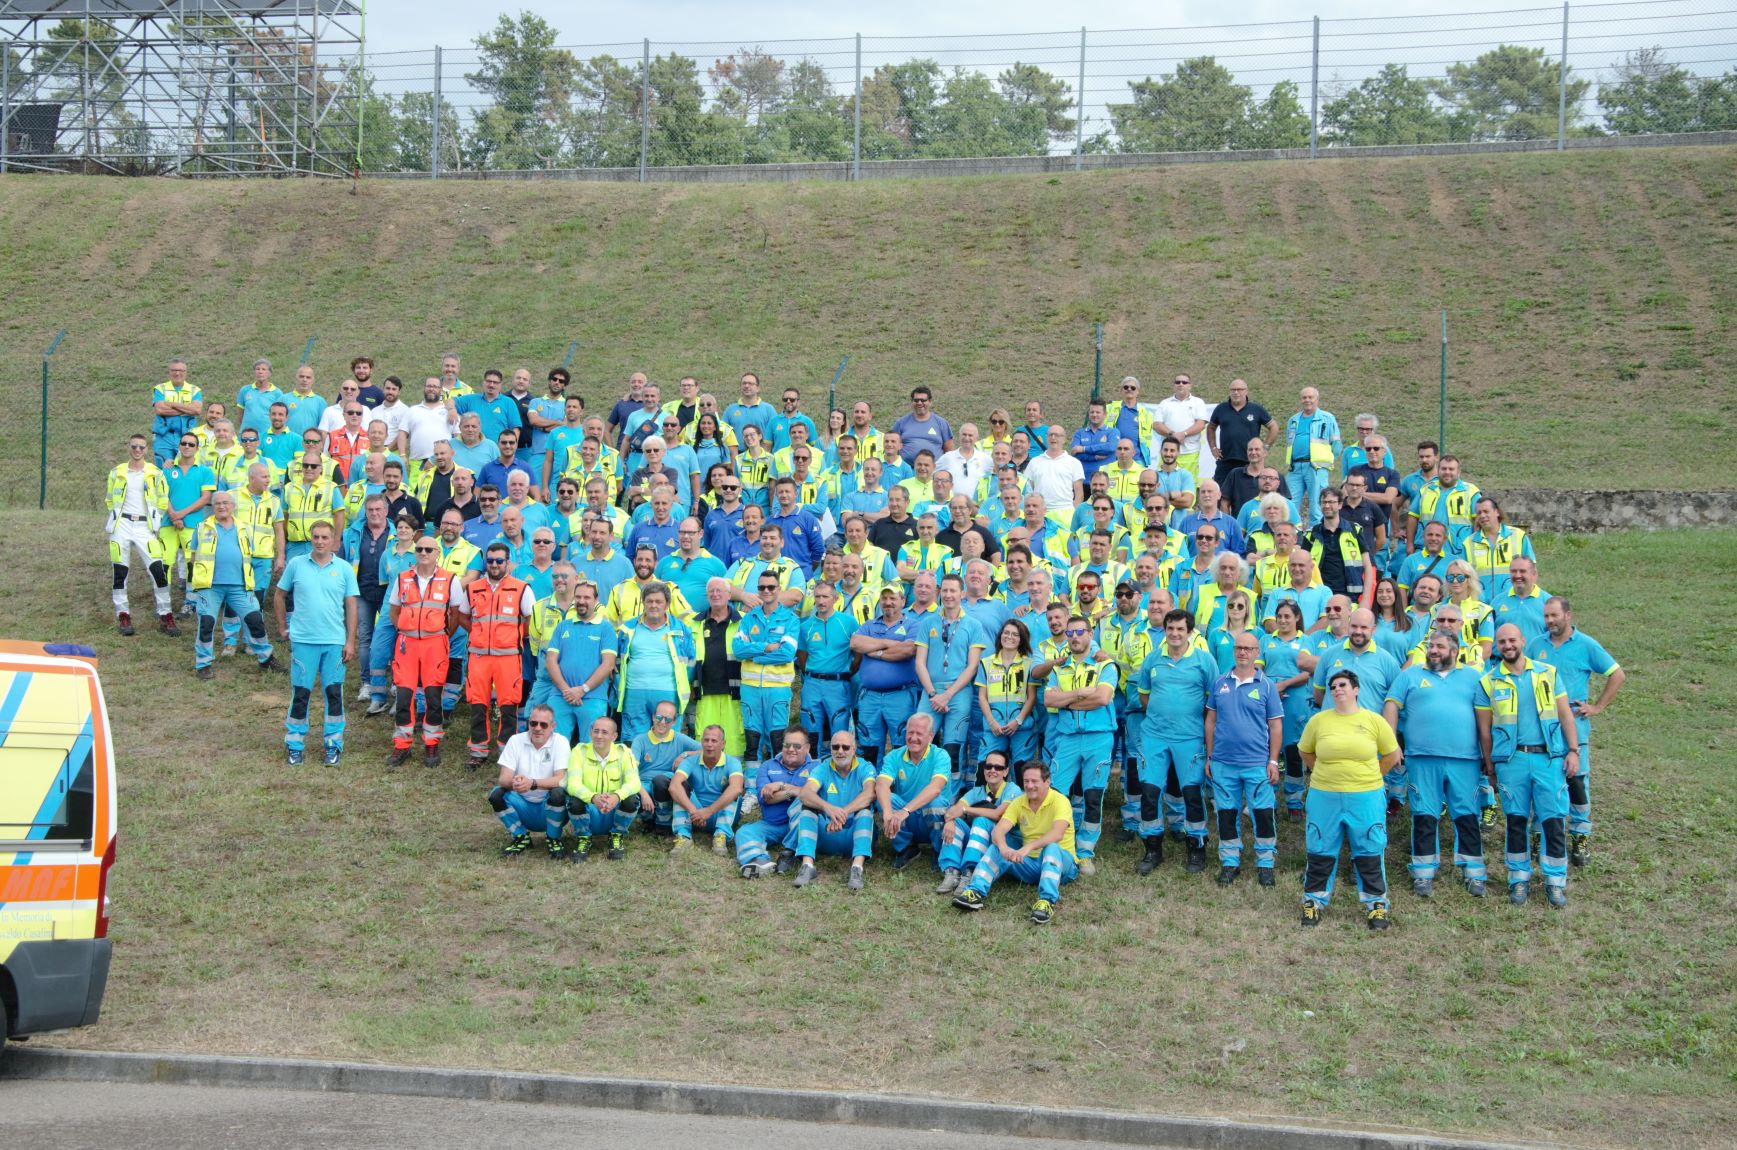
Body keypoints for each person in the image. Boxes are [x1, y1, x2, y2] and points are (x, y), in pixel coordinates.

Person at [1478, 623, 1582, 908]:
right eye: (1501, 641)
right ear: (1497, 647)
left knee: (1553, 822)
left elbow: (1565, 716)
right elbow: (1484, 732)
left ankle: (1555, 881)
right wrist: (1490, 767)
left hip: (1548, 758)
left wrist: (1573, 751)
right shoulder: (1489, 681)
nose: (1507, 645)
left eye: (1512, 639)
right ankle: (1518, 879)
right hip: (1511, 762)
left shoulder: (1547, 673)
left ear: (1523, 640)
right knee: (1516, 821)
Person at [1385, 629, 1487, 898]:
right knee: (1424, 814)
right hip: (1422, 758)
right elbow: (1391, 705)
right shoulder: (1410, 675)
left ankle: (1474, 872)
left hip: (1465, 760)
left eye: (1440, 646)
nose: (1433, 650)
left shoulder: (1474, 678)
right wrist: (1392, 744)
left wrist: (1488, 756)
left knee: (1467, 815)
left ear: (1455, 651)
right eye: (1431, 646)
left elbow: (1486, 716)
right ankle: (1423, 873)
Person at [1298, 669, 1403, 929]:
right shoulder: (1319, 721)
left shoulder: (1373, 720)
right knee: (1320, 847)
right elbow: (1305, 751)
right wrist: (1324, 774)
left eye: (1342, 684)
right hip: (1325, 795)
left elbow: (1392, 755)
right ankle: (1313, 902)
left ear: (1356, 689)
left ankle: (1376, 906)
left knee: (1369, 848)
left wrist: (1370, 776)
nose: (1337, 689)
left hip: (1365, 796)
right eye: (1332, 686)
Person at [1527, 596, 1624, 868]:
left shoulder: (1586, 645)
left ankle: (1580, 836)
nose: (1549, 621)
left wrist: (1597, 706)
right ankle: (1538, 835)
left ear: (1568, 615)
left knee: (1577, 783)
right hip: (1542, 729)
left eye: (1554, 616)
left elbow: (1617, 674)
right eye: (1546, 617)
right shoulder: (1536, 645)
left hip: (1575, 729)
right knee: (1543, 782)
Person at [1134, 609, 1217, 876]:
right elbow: (1145, 697)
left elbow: (1213, 703)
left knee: (1192, 794)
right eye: (1171, 628)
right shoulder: (1153, 659)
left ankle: (1196, 847)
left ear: (1190, 632)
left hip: (1190, 737)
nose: (1175, 634)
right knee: (1149, 792)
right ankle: (1152, 848)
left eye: (1181, 629)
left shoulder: (1204, 661)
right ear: (1165, 630)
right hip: (1154, 736)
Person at [951, 760, 1078, 925]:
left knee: (1051, 847)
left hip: (1061, 865)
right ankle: (975, 891)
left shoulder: (1060, 801)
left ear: (1047, 782)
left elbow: (1057, 833)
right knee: (998, 846)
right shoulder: (1019, 802)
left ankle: (1047, 902)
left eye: (1035, 781)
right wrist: (1004, 848)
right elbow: (998, 830)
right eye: (1026, 781)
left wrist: (1027, 848)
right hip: (1031, 864)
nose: (1029, 786)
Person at [273, 521, 358, 767]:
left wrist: (350, 641)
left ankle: (333, 744)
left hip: (333, 642)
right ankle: (295, 744)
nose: (320, 541)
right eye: (316, 537)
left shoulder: (343, 568)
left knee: (334, 694)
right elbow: (279, 595)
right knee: (301, 694)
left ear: (333, 540)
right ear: (310, 538)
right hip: (303, 641)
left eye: (325, 537)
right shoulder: (297, 564)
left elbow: (351, 605)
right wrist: (281, 627)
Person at [1203, 630, 1283, 886]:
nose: (1243, 652)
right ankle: (1230, 862)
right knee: (1226, 813)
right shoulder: (1220, 682)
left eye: (1248, 648)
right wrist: (1210, 756)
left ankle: (1266, 864)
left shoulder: (1267, 685)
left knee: (1262, 813)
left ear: (1257, 653)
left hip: (1257, 764)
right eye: (1239, 648)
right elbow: (1211, 720)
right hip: (1224, 763)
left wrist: (1272, 761)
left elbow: (1276, 726)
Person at [1040, 612, 1117, 874]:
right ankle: (1063, 846)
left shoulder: (1105, 665)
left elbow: (1103, 698)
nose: (1074, 637)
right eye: (1069, 633)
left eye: (1079, 632)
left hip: (1099, 737)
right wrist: (1079, 693)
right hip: (1068, 738)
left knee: (1093, 796)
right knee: (1057, 794)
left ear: (1090, 634)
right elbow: (1049, 701)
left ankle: (1084, 852)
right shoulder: (1059, 668)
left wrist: (1068, 701)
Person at [455, 542, 535, 768]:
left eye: (499, 561)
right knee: (478, 703)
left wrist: (513, 637)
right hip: (479, 656)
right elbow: (462, 616)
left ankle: (506, 751)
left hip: (508, 657)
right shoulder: (473, 588)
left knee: (508, 704)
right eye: (490, 561)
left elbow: (530, 619)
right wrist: (479, 633)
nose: (495, 565)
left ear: (507, 563)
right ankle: (478, 750)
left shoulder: (521, 588)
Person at [187, 490, 281, 678]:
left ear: (233, 506)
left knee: (255, 620)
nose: (222, 506)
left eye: (226, 503)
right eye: (217, 503)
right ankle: (203, 664)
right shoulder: (202, 527)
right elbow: (193, 557)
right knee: (206, 623)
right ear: (212, 507)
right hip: (210, 587)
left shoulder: (244, 528)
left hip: (239, 586)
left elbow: (250, 555)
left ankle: (266, 658)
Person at [385, 529, 458, 767]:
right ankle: (402, 745)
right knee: (404, 696)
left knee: (433, 697)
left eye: (428, 549)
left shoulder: (450, 579)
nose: (423, 553)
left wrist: (443, 633)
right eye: (419, 549)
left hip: (435, 644)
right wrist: (406, 629)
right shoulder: (402, 577)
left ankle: (431, 745)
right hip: (407, 644)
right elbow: (394, 610)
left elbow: (456, 613)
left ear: (437, 553)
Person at [105, 433, 174, 636]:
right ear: (128, 447)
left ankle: (166, 615)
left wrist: (156, 519)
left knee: (158, 571)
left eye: (141, 447)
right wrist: (116, 516)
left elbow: (163, 498)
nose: (137, 450)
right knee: (120, 572)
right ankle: (123, 615)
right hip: (122, 524)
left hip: (145, 527)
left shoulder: (155, 473)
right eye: (134, 446)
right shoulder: (117, 472)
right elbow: (110, 498)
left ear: (146, 450)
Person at [790, 729, 876, 890]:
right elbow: (805, 793)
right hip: (827, 832)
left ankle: (857, 868)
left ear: (854, 748)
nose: (840, 751)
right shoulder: (823, 767)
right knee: (807, 810)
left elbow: (870, 793)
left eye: (845, 747)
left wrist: (842, 812)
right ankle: (807, 866)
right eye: (835, 747)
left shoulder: (865, 767)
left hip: (854, 834)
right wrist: (828, 808)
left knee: (865, 812)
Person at [732, 573, 801, 763]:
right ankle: (752, 787)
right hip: (750, 688)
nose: (767, 591)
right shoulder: (748, 618)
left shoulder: (790, 619)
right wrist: (766, 647)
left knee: (777, 739)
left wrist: (755, 656)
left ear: (779, 589)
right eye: (762, 587)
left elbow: (786, 654)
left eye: (771, 587)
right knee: (752, 739)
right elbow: (738, 650)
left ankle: (776, 782)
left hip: (778, 689)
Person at [615, 581, 695, 744]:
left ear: (667, 604)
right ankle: (634, 770)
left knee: (667, 741)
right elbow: (617, 662)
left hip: (669, 692)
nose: (653, 605)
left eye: (658, 601)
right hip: (634, 692)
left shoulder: (681, 629)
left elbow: (691, 662)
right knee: (633, 741)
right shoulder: (628, 628)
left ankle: (664, 770)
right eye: (649, 601)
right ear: (643, 603)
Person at [489, 704, 572, 860]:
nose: (537, 728)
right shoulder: (515, 740)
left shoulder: (560, 742)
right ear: (528, 723)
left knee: (558, 792)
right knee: (496, 794)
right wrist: (515, 782)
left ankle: (553, 838)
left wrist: (532, 783)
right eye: (533, 723)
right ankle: (521, 837)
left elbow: (561, 779)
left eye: (543, 724)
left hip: (549, 805)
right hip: (523, 804)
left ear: (553, 726)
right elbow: (503, 779)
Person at [933, 749, 1019, 895]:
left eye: (998, 767)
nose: (992, 770)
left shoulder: (1013, 789)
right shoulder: (976, 791)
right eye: (988, 766)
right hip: (979, 840)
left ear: (1005, 772)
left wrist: (966, 810)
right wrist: (950, 820)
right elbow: (955, 809)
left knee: (981, 821)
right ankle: (952, 871)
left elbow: (998, 814)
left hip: (1003, 843)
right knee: (957, 825)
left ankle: (970, 872)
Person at [852, 585, 921, 765]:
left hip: (900, 695)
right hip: (870, 696)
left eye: (893, 598)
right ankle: (871, 785)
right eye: (884, 599)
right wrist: (887, 643)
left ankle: (898, 786)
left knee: (903, 744)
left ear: (903, 601)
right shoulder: (868, 625)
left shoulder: (913, 625)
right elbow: (856, 643)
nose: (888, 602)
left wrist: (875, 651)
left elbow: (907, 650)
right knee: (868, 747)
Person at [875, 711, 953, 872]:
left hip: (930, 818)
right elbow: (881, 785)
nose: (913, 737)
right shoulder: (894, 756)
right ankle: (906, 847)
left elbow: (936, 788)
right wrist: (888, 813)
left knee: (937, 802)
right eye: (910, 732)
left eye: (919, 733)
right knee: (884, 798)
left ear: (931, 736)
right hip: (905, 820)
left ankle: (938, 849)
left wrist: (905, 810)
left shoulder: (941, 755)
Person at [1262, 600, 1319, 818]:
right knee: (1269, 750)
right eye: (1279, 616)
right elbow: (1258, 666)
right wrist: (1270, 687)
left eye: (1287, 616)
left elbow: (1307, 673)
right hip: (1269, 699)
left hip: (1295, 701)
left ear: (1297, 618)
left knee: (1294, 752)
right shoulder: (1267, 640)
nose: (1283, 620)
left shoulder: (1305, 640)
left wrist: (1284, 685)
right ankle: (1269, 798)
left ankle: (1294, 801)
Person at [735, 727, 816, 877]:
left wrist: (781, 786)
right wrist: (794, 791)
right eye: (787, 745)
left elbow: (810, 796)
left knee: (804, 802)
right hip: (772, 825)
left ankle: (789, 852)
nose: (791, 749)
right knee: (744, 832)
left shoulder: (817, 768)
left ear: (807, 748)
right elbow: (765, 798)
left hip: (803, 826)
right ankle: (758, 861)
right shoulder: (767, 766)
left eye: (797, 746)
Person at [543, 579, 618, 744]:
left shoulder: (606, 628)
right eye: (578, 597)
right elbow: (550, 661)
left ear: (596, 600)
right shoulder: (562, 627)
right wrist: (566, 691)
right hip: (560, 696)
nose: (581, 601)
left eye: (586, 597)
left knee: (591, 747)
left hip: (593, 697)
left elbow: (608, 664)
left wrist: (583, 689)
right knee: (554, 745)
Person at [561, 716, 643, 863]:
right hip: (590, 808)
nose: (599, 736)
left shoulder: (624, 752)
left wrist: (617, 796)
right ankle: (584, 838)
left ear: (614, 736)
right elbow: (572, 784)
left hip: (613, 808)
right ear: (590, 732)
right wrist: (593, 797)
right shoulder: (579, 751)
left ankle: (616, 836)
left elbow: (634, 783)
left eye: (604, 732)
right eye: (596, 731)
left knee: (632, 799)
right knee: (574, 800)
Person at [688, 577, 746, 757]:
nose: (715, 594)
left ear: (729, 595)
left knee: (735, 738)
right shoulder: (694, 623)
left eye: (719, 590)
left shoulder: (744, 621)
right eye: (711, 591)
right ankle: (705, 777)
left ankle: (737, 777)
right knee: (705, 739)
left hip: (735, 692)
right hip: (705, 692)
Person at [667, 724, 744, 855]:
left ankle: (721, 835)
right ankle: (683, 836)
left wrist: (708, 811)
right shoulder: (690, 761)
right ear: (701, 742)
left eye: (714, 741)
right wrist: (694, 812)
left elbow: (736, 788)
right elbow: (673, 787)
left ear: (723, 744)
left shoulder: (732, 762)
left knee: (733, 790)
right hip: (694, 814)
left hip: (719, 813)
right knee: (679, 788)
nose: (709, 744)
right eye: (706, 740)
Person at [633, 699, 702, 835]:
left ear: (674, 722)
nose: (662, 722)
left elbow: (708, 750)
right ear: (653, 717)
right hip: (644, 785)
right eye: (659, 717)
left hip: (666, 785)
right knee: (632, 793)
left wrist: (686, 754)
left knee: (660, 782)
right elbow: (630, 771)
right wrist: (644, 794)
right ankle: (648, 818)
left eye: (668, 719)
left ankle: (663, 823)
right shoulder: (640, 740)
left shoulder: (680, 739)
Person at [1284, 387, 1340, 527]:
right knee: (1288, 503)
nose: (1307, 400)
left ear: (1317, 399)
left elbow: (1337, 445)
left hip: (1316, 467)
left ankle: (1316, 539)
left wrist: (1325, 462)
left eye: (1310, 397)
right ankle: (1293, 537)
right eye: (1304, 397)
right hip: (1295, 468)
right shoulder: (1293, 420)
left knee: (1317, 505)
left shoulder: (1327, 418)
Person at [1208, 377, 1276, 489]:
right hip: (1225, 459)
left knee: (1247, 493)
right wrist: (1213, 447)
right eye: (1233, 389)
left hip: (1249, 460)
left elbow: (1273, 427)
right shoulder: (1221, 409)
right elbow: (1211, 427)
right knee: (1221, 494)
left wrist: (1266, 446)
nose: (1236, 392)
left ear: (1246, 391)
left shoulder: (1256, 409)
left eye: (1239, 389)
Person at [1154, 374, 1212, 479]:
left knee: (1188, 484)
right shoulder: (1165, 403)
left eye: (1184, 382)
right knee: (1163, 483)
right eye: (1178, 382)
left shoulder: (1198, 402)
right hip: (1168, 452)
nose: (1181, 384)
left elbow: (1201, 424)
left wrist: (1183, 434)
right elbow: (1157, 425)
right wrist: (1172, 434)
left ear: (1190, 385)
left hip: (1189, 452)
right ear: (1174, 385)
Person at [1024, 425, 1086, 516]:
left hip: (1065, 513)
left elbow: (1079, 494)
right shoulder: (1034, 462)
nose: (1053, 438)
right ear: (1046, 438)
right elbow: (1028, 490)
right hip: (1040, 513)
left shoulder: (1074, 463)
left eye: (1057, 435)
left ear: (1064, 439)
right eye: (1051, 435)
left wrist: (1073, 513)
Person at [151, 357, 202, 464]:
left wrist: (172, 404)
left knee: (185, 468)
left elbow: (197, 409)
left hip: (187, 437)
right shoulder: (160, 389)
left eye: (181, 370)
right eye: (174, 370)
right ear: (169, 372)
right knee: (164, 469)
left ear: (186, 372)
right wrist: (187, 409)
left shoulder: (194, 390)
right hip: (164, 437)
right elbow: (160, 409)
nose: (177, 373)